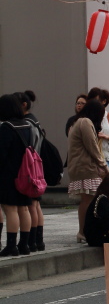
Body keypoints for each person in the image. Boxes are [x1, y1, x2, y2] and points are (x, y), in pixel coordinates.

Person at [0, 95, 42, 257]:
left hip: (9, 175)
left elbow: (2, 154)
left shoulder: (6, 127)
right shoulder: (27, 125)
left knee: (10, 210)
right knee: (24, 208)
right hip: (26, 174)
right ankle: (24, 244)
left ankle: (11, 246)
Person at [67, 99, 109, 243]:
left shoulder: (79, 121)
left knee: (89, 200)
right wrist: (104, 166)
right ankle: (83, 231)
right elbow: (92, 147)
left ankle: (85, 231)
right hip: (85, 167)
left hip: (82, 167)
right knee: (88, 200)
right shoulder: (85, 122)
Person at [18, 90, 46, 251]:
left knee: (31, 206)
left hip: (29, 167)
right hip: (37, 166)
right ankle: (37, 241)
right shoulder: (35, 121)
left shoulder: (26, 123)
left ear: (23, 105)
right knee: (36, 205)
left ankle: (31, 241)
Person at [86, 87, 109, 170]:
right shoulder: (86, 117)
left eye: (96, 101)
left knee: (104, 181)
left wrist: (108, 137)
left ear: (104, 101)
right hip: (88, 158)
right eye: (91, 101)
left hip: (105, 156)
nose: (93, 104)